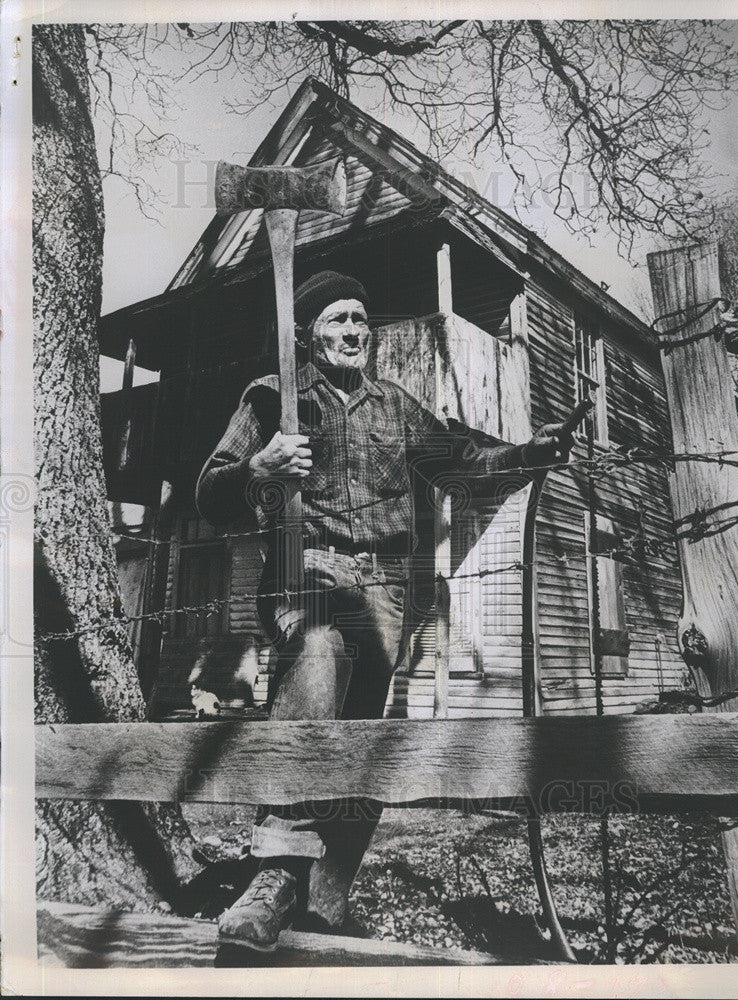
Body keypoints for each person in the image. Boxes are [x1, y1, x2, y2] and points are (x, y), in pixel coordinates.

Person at [196, 270, 574, 952]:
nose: (352, 333)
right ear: (308, 335)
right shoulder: (271, 400)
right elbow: (210, 491)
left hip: (388, 593)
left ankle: (320, 907)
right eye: (337, 321)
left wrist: (526, 453)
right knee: (313, 657)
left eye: (360, 322)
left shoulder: (398, 408)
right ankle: (276, 873)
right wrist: (261, 465)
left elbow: (461, 458)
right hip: (304, 569)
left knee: (365, 742)